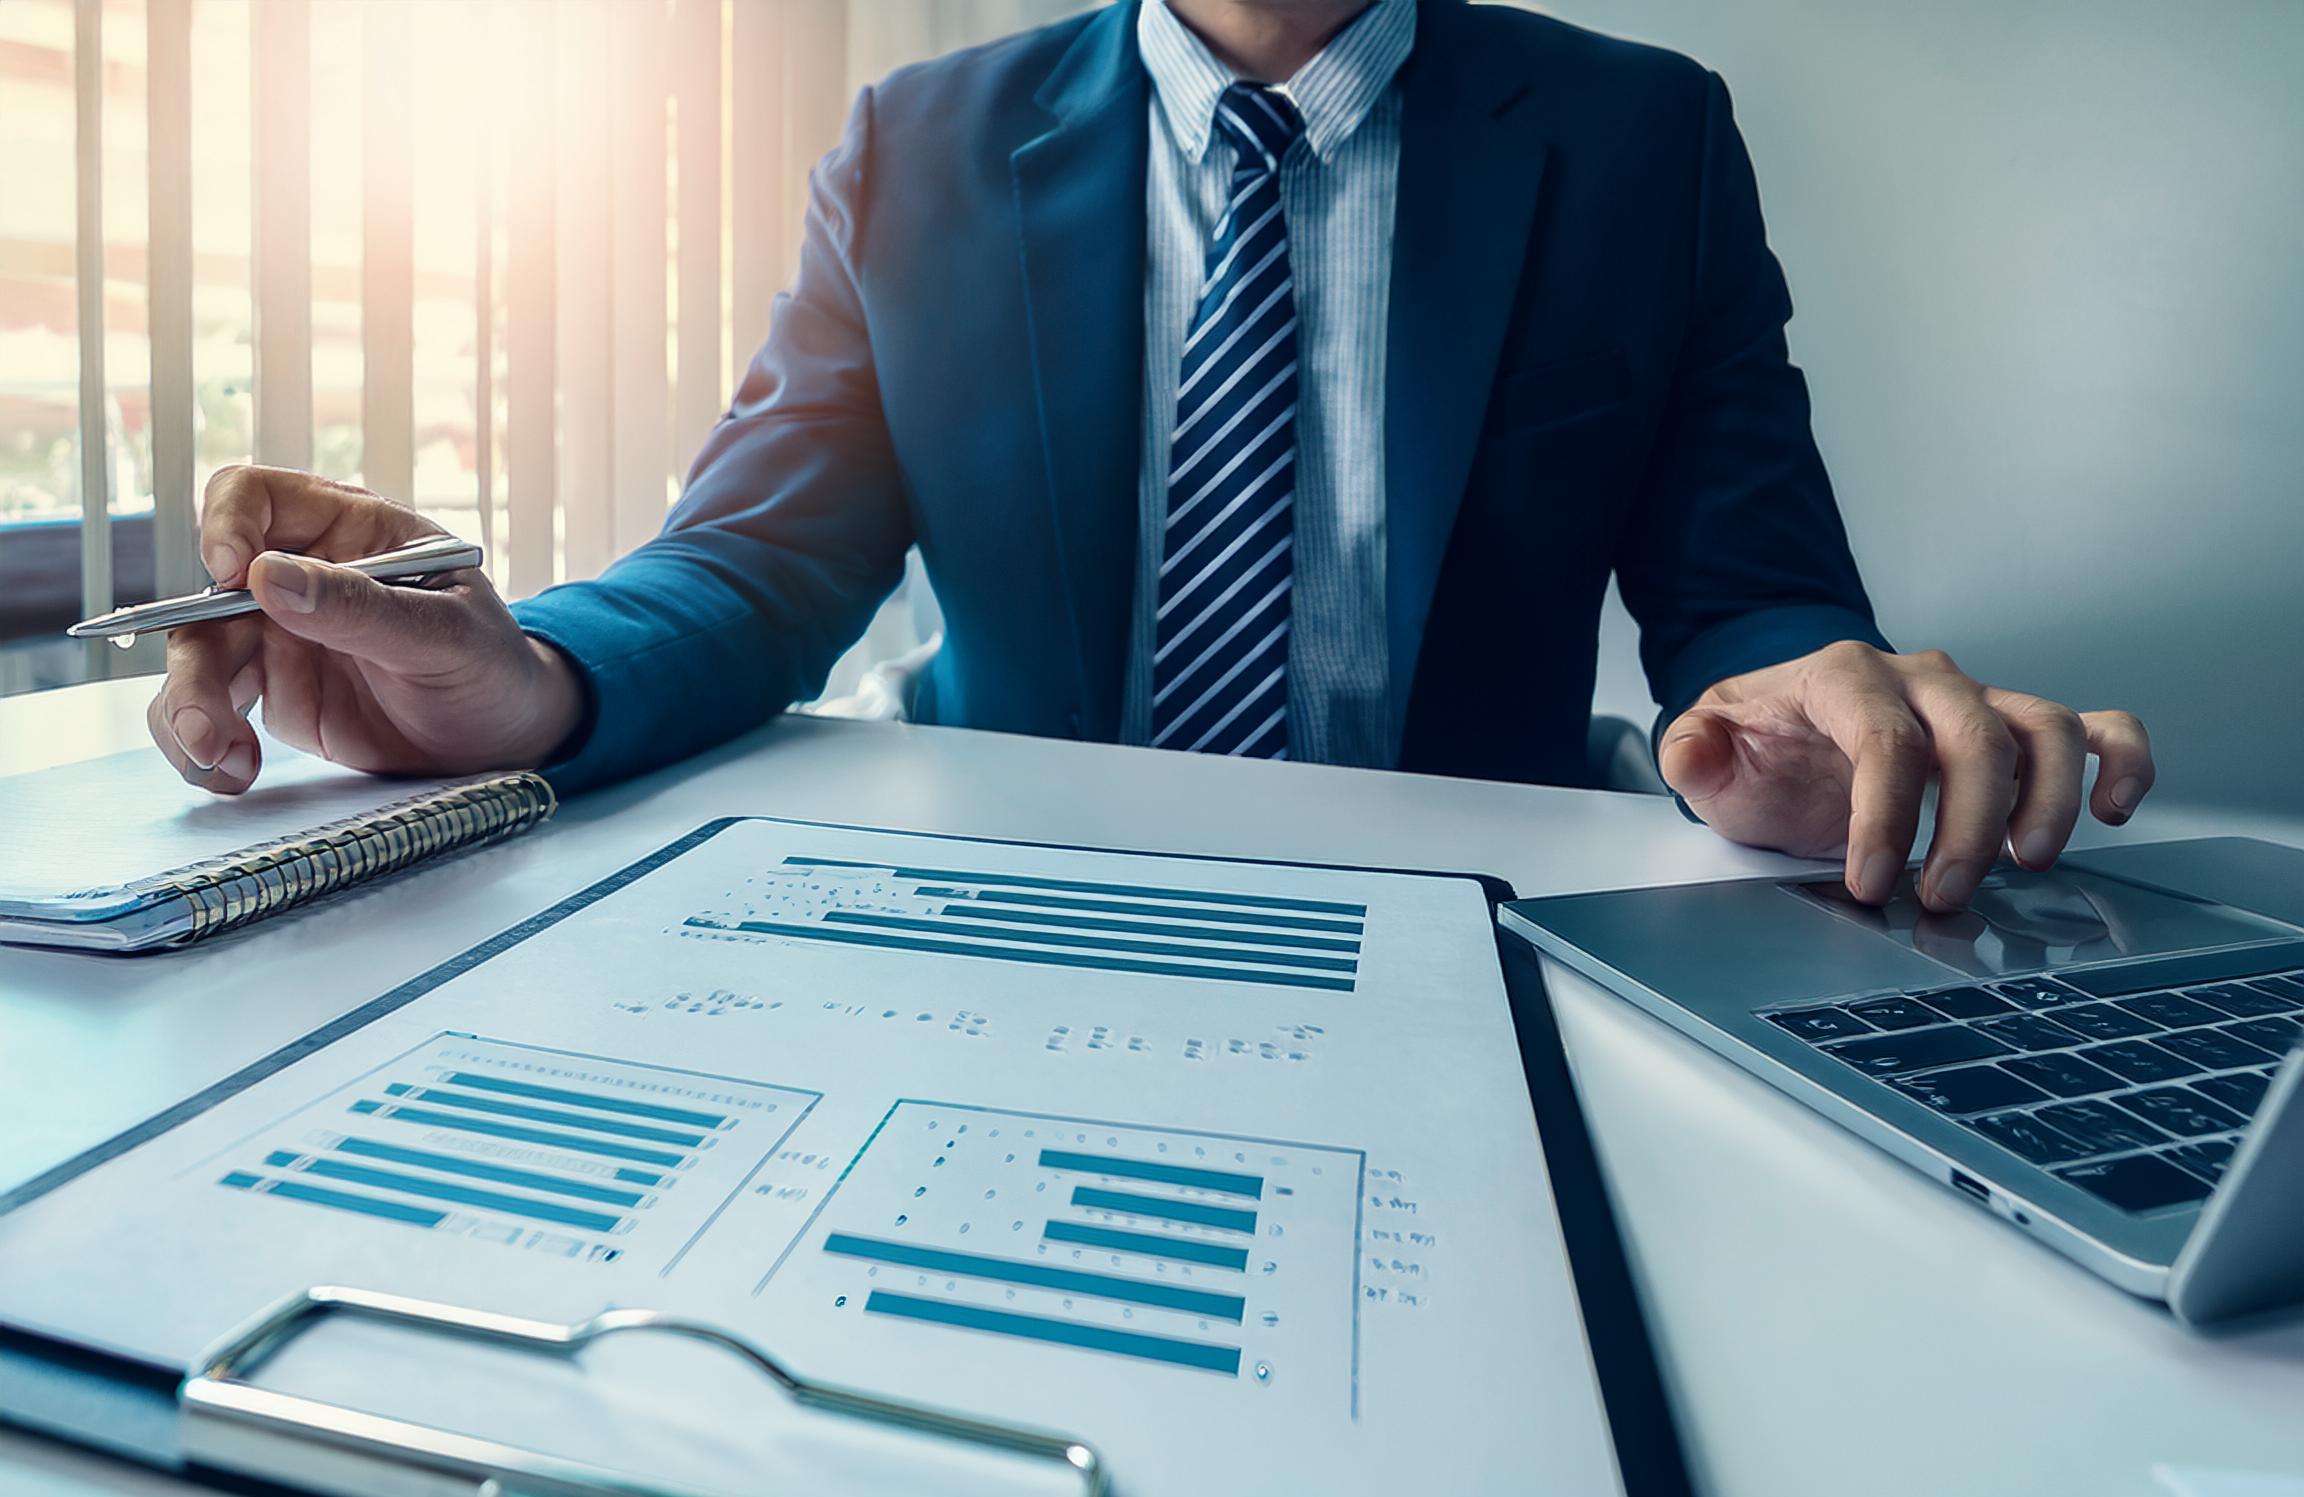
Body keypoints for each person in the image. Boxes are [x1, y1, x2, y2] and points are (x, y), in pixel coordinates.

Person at [147, 0, 2153, 914]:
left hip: (1473, 922)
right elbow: (755, 566)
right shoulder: (915, 144)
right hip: (998, 912)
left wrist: (1810, 683)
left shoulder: (1643, 138)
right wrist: (532, 677)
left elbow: (1751, 579)